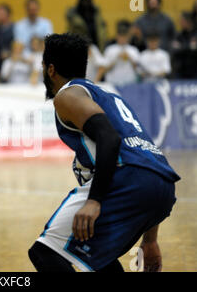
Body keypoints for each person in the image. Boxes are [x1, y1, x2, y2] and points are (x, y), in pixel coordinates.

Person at [28, 33, 180, 272]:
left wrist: (94, 201)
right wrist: (150, 239)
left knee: (44, 252)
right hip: (161, 183)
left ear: (50, 70)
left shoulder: (67, 95)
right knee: (97, 255)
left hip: (129, 180)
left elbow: (109, 138)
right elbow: (148, 159)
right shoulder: (110, 98)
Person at [96, 20, 140, 86]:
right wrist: (116, 58)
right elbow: (104, 69)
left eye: (124, 36)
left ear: (128, 37)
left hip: (130, 83)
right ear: (117, 36)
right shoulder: (110, 49)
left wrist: (130, 58)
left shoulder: (133, 50)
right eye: (121, 36)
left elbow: (138, 69)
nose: (123, 39)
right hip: (113, 83)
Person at [171, 12, 197, 79]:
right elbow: (174, 50)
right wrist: (189, 46)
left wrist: (181, 47)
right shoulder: (179, 35)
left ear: (189, 21)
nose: (180, 22)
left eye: (182, 20)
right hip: (182, 71)